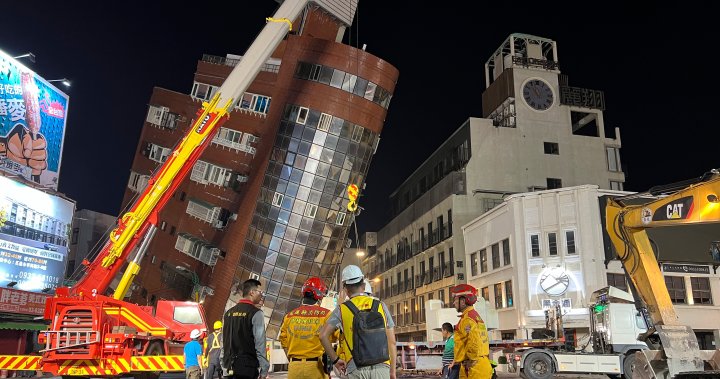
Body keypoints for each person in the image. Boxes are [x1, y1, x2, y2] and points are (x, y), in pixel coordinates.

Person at [319, 265, 396, 379]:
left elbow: (323, 336)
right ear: (364, 285)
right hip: (382, 367)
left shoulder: (342, 309)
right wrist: (392, 371)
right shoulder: (381, 305)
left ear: (345, 289)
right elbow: (392, 342)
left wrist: (336, 360)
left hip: (356, 368)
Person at [279, 277, 333, 379]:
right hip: (317, 368)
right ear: (319, 296)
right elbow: (337, 336)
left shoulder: (289, 316)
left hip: (294, 369)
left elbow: (283, 340)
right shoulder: (326, 315)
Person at [222, 279, 269, 379]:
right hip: (247, 368)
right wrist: (264, 369)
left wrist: (223, 365)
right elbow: (260, 343)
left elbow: (224, 342)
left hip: (228, 367)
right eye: (260, 292)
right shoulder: (256, 313)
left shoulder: (228, 313)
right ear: (252, 292)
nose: (261, 295)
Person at [450, 284, 492, 379]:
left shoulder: (468, 319)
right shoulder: (474, 316)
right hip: (478, 364)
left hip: (474, 367)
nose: (454, 303)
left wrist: (472, 360)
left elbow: (473, 341)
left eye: (456, 300)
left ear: (463, 301)